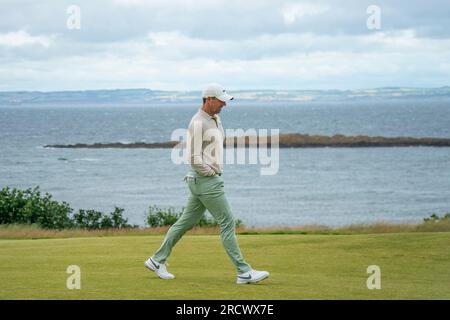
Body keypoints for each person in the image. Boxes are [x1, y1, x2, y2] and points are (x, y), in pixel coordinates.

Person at [144, 83, 269, 284]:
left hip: (200, 181)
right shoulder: (198, 123)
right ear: (209, 99)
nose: (224, 105)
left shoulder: (215, 119)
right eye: (221, 101)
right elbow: (193, 157)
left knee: (185, 222)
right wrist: (210, 173)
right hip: (207, 181)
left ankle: (157, 260)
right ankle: (244, 272)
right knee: (227, 222)